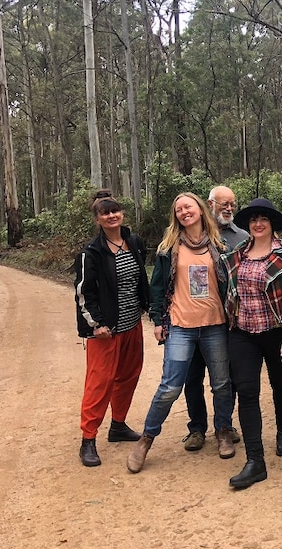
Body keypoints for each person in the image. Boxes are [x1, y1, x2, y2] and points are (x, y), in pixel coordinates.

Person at [127, 193, 235, 473]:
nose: (184, 212)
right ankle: (146, 439)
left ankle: (223, 430)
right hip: (180, 326)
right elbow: (157, 287)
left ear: (200, 209)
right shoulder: (168, 248)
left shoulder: (218, 246)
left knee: (222, 383)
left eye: (188, 206)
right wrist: (158, 320)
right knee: (170, 386)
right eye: (178, 209)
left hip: (215, 325)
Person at [222, 199, 282, 488]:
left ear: (272, 223)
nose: (257, 224)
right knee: (246, 391)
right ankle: (255, 460)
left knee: (280, 384)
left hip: (275, 332)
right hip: (242, 333)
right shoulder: (236, 254)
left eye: (263, 219)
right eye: (253, 219)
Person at [74, 191, 149, 467]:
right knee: (100, 382)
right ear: (98, 219)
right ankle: (88, 439)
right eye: (105, 213)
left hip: (132, 324)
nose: (111, 216)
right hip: (106, 330)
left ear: (122, 215)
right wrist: (95, 325)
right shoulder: (91, 253)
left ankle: (118, 425)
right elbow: (84, 293)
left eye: (115, 211)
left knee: (129, 376)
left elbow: (141, 278)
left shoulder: (134, 242)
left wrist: (147, 306)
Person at [182, 186, 248, 452]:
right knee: (192, 376)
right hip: (192, 318)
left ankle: (225, 424)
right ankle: (196, 429)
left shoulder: (242, 236)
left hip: (228, 321)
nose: (229, 208)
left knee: (225, 378)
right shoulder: (197, 234)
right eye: (224, 204)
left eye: (232, 203)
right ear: (210, 204)